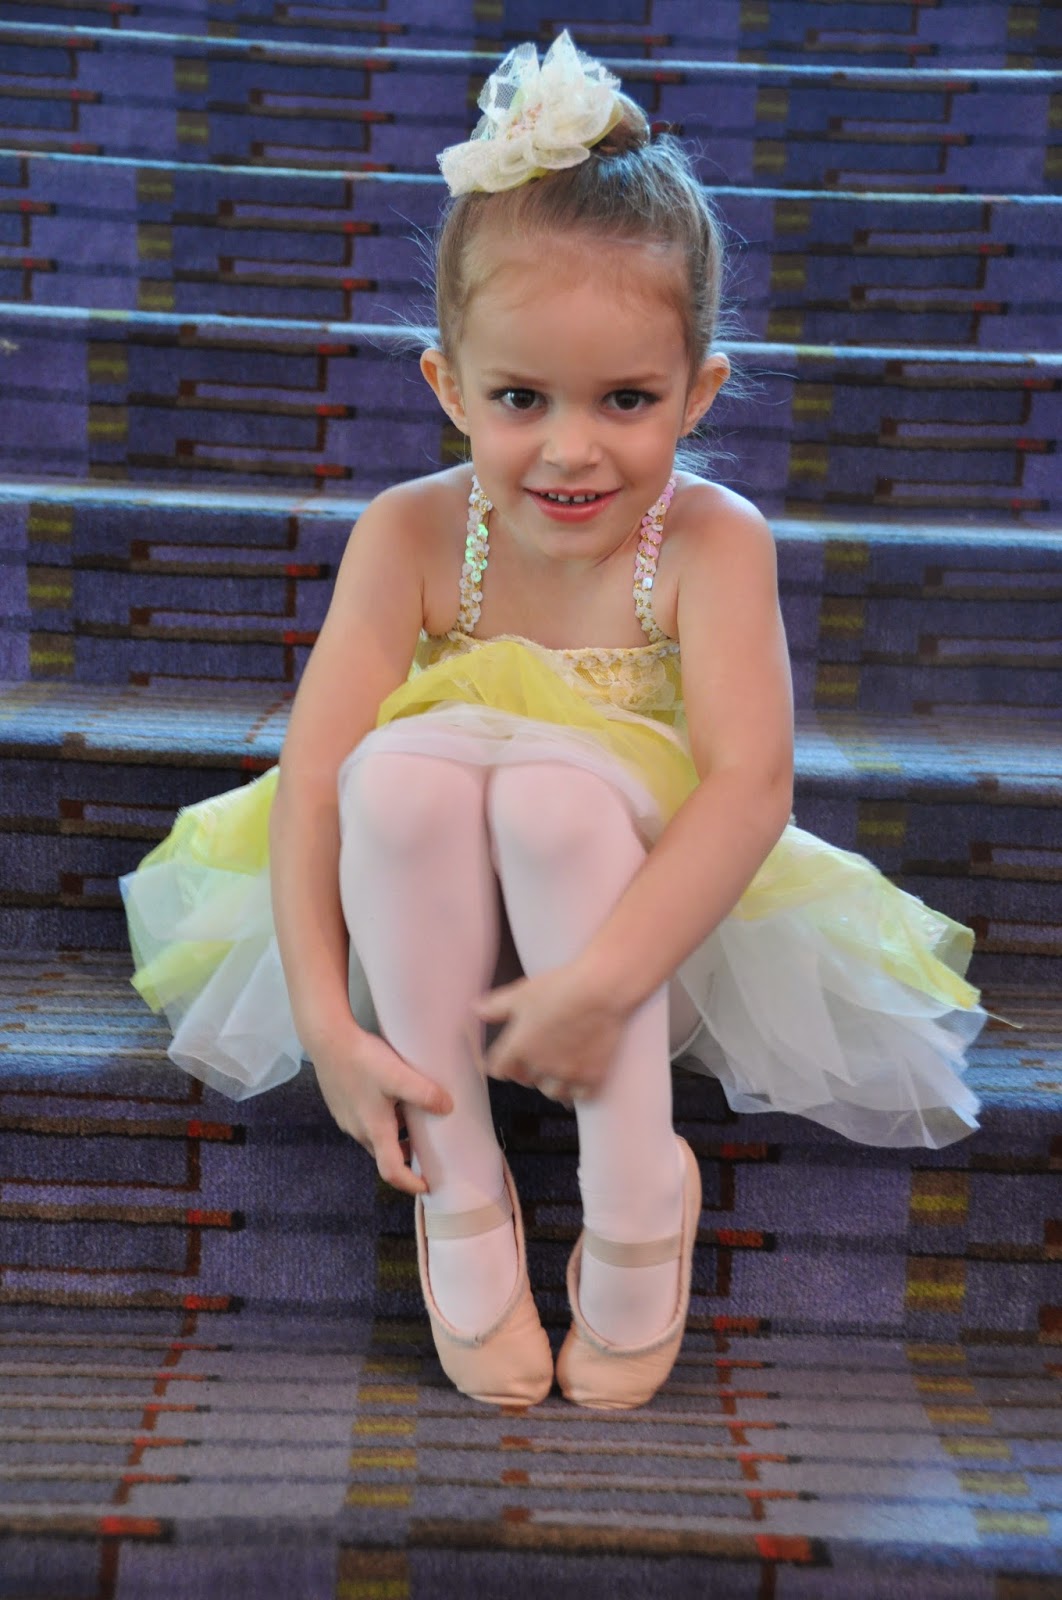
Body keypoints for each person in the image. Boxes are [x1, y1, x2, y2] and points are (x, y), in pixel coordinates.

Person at [121, 32, 985, 1414]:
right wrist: (328, 1026)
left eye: (626, 401)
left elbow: (750, 786)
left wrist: (601, 983)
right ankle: (458, 1181)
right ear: (448, 387)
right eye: (520, 399)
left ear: (698, 392)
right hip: (426, 929)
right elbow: (318, 775)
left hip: (634, 939)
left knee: (550, 792)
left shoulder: (711, 541)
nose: (571, 449)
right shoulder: (410, 532)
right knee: (394, 774)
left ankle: (636, 1173)